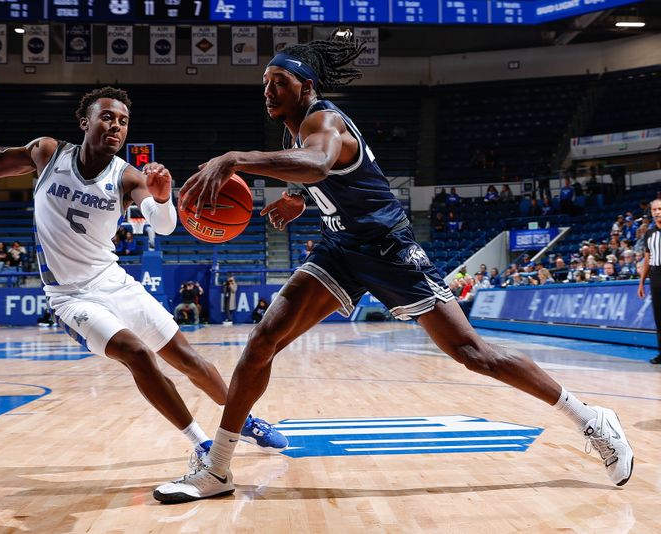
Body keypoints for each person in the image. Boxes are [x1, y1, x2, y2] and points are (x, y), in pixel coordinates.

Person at [154, 36, 633, 503]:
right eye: (264, 82)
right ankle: (217, 466)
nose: (268, 90)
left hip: (387, 249)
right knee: (262, 341)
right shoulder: (295, 128)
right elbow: (322, 173)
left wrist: (237, 157)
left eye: (278, 81)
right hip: (340, 249)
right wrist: (300, 199)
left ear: (306, 86)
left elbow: (320, 161)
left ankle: (591, 418)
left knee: (472, 352)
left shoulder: (324, 119)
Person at [0, 73, 287, 458]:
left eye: (123, 121)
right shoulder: (48, 152)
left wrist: (162, 199)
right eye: (107, 117)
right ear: (86, 122)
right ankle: (201, 443)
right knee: (137, 354)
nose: (116, 125)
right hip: (70, 297)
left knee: (188, 359)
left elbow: (162, 226)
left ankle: (244, 420)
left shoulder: (127, 177)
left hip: (113, 281)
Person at [638, 198, 661, 364]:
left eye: (660, 209)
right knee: (659, 316)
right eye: (655, 210)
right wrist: (641, 282)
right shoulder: (649, 234)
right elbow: (647, 260)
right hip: (656, 275)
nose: (658, 212)